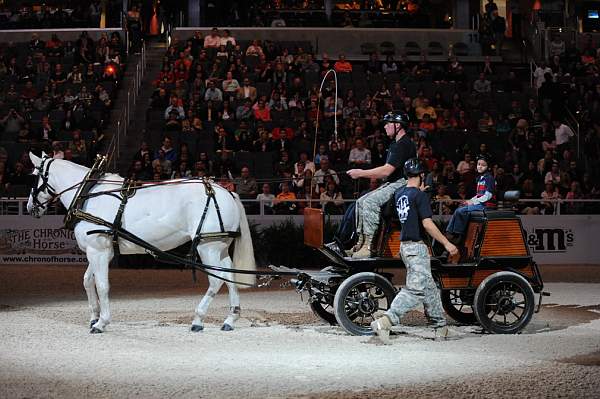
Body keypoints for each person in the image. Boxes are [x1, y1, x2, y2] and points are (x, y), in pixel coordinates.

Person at [370, 158, 458, 344]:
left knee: (429, 286)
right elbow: (427, 224)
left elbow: (392, 212)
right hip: (416, 247)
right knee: (416, 290)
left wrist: (419, 194)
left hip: (405, 247)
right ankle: (386, 321)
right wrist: (446, 244)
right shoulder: (420, 196)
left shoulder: (400, 193)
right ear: (422, 175)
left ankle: (440, 327)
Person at [346, 111, 416, 258]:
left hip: (402, 183)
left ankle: (369, 247)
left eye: (388, 123)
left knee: (370, 202)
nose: (385, 127)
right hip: (394, 182)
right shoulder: (395, 144)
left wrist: (360, 173)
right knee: (361, 201)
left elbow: (386, 171)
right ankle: (360, 243)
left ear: (398, 125)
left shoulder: (403, 144)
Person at [446, 154, 496, 241]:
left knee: (461, 211)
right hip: (481, 204)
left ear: (488, 167)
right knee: (460, 207)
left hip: (486, 205)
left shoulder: (489, 178)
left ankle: (458, 234)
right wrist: (469, 201)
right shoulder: (480, 178)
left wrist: (472, 202)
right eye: (478, 164)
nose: (480, 167)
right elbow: (479, 195)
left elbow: (488, 196)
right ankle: (449, 232)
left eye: (483, 165)